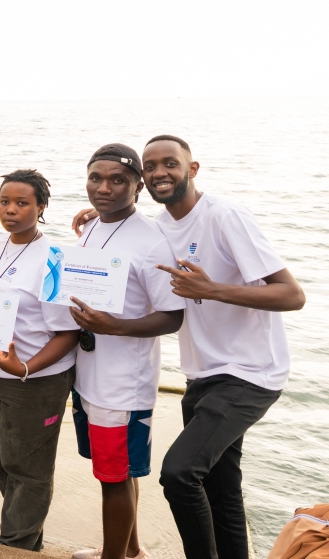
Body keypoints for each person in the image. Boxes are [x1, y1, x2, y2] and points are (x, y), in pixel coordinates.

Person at [144, 136, 303, 559]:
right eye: (150, 166)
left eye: (170, 163)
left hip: (250, 374)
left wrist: (212, 289)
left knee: (179, 474)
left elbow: (291, 295)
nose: (160, 172)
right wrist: (98, 219)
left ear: (192, 169)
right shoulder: (156, 228)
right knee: (220, 490)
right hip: (201, 375)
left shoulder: (225, 217)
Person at [64, 144, 186, 559]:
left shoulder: (151, 242)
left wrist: (114, 326)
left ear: (137, 185)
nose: (104, 188)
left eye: (118, 180)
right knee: (117, 472)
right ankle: (131, 550)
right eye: (95, 178)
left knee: (114, 477)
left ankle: (113, 557)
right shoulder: (96, 224)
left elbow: (172, 317)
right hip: (91, 372)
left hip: (123, 382)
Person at [0, 170, 80, 550]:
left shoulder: (53, 259)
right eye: (5, 201)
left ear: (42, 208)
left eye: (22, 203)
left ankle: (15, 545)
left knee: (29, 469)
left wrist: (27, 367)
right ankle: (27, 536)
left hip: (36, 379)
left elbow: (70, 333)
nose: (11, 210)